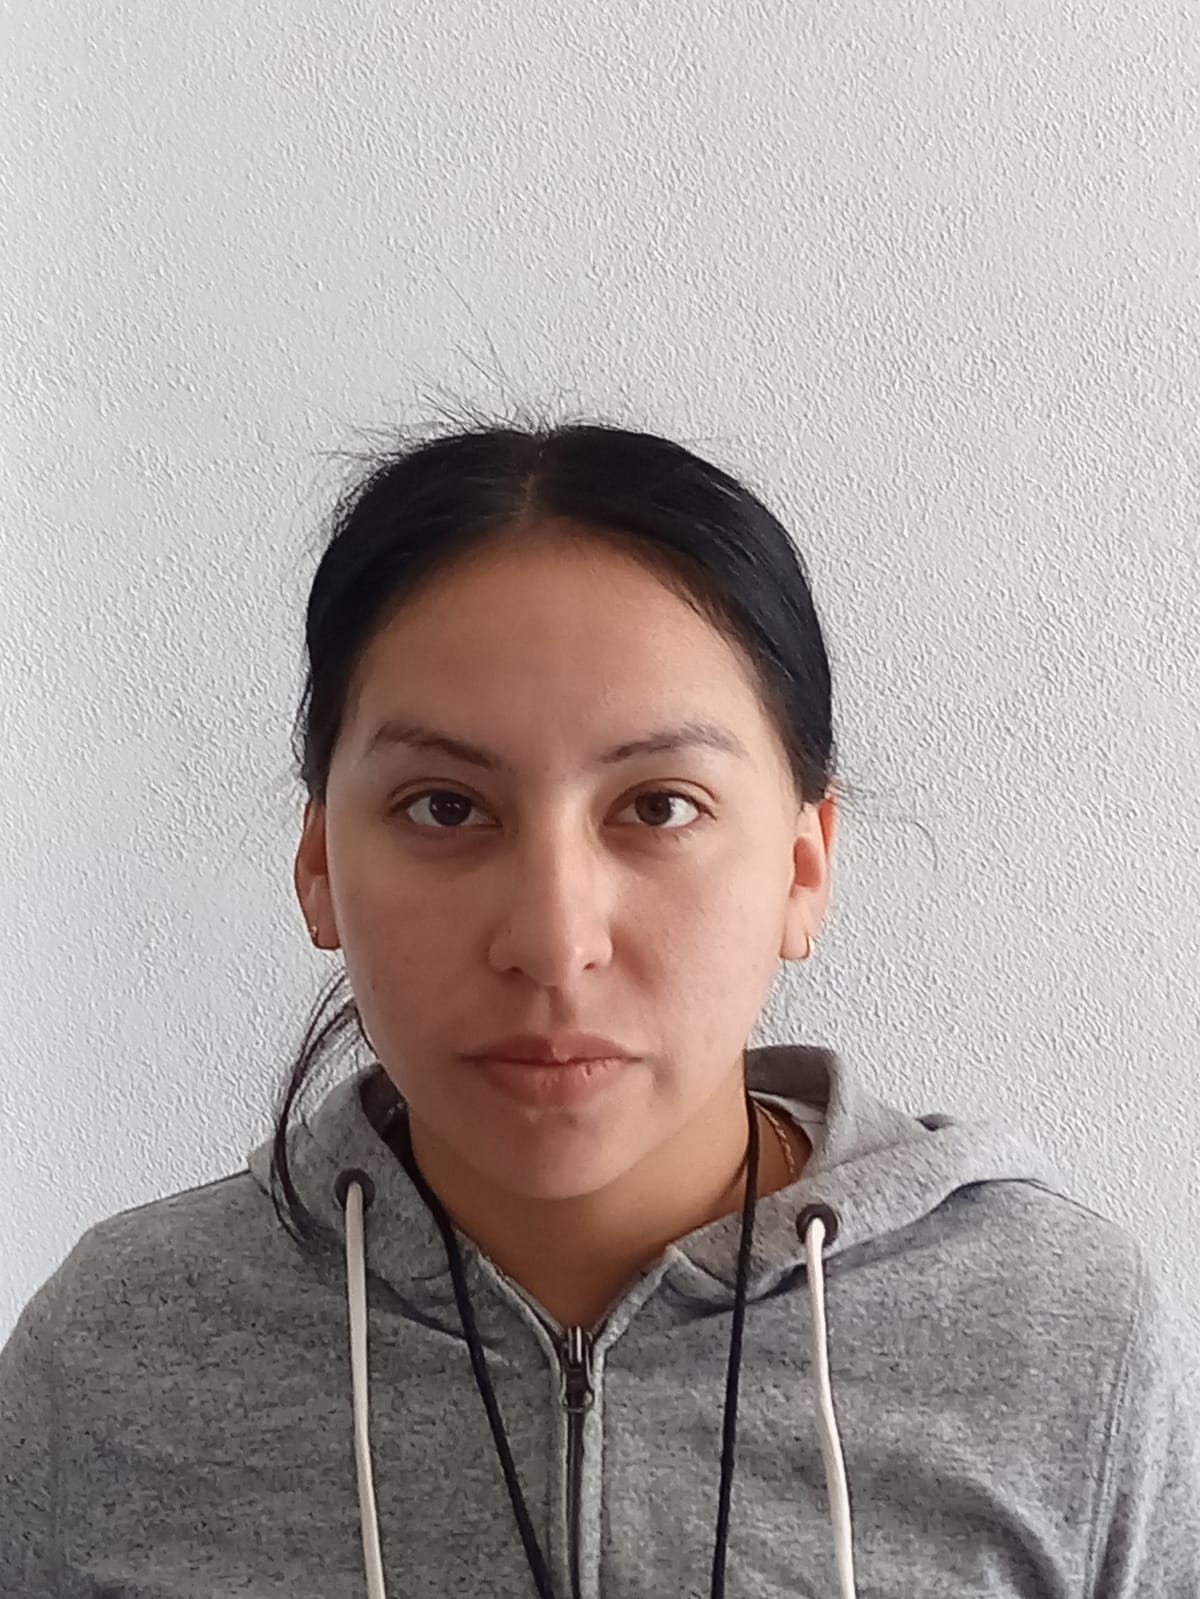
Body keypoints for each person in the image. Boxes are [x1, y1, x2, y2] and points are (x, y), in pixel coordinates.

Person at [1, 418, 1196, 1599]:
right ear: (319, 866)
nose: (553, 942)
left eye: (659, 807)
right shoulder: (112, 1355)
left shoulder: (1060, 1339)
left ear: (802, 868)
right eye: (445, 808)